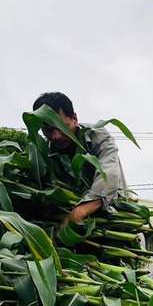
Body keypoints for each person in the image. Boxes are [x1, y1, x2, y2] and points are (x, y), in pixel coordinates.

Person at [32, 92, 131, 227]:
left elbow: (109, 175)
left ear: (74, 118)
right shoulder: (42, 153)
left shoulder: (97, 137)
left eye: (61, 126)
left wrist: (80, 212)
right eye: (48, 130)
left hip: (116, 220)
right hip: (70, 228)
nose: (56, 136)